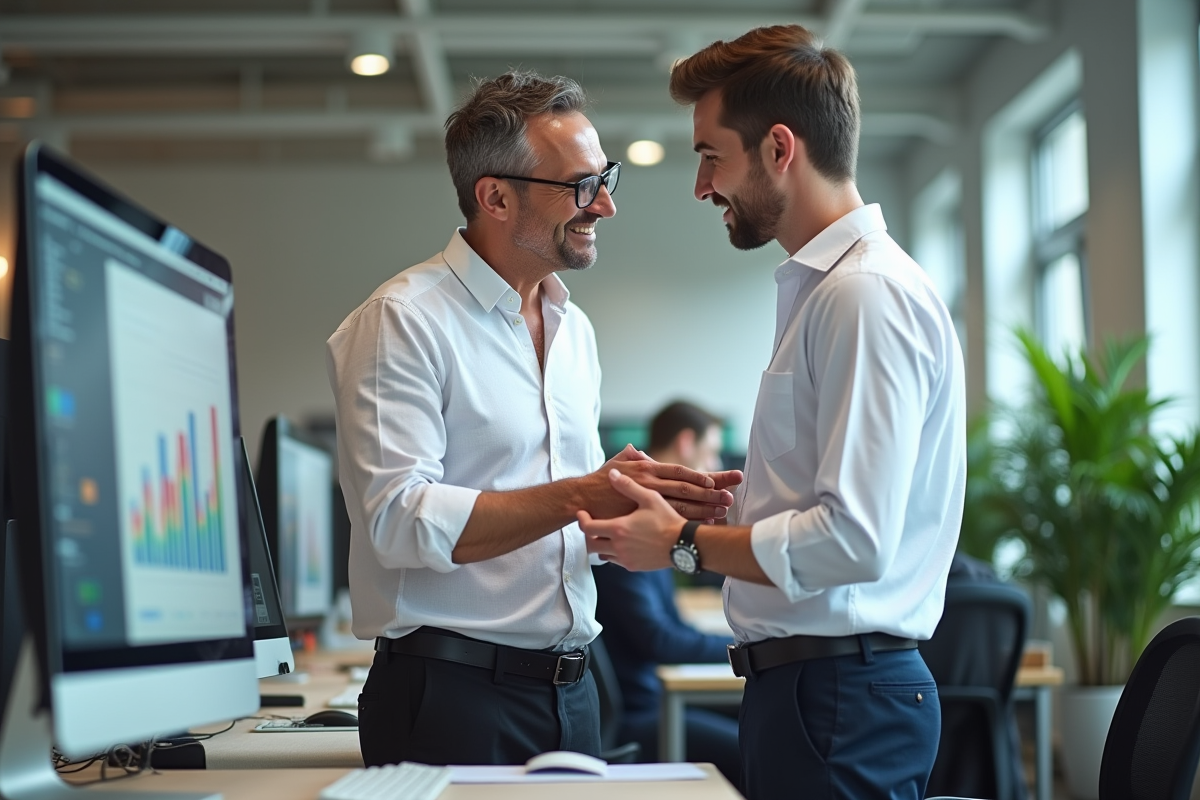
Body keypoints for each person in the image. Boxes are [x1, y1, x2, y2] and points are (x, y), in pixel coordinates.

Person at [578, 25, 967, 800]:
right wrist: (729, 504)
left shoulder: (863, 297)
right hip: (818, 694)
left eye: (710, 156)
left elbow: (853, 540)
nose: (700, 187)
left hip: (837, 698)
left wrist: (686, 543)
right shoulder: (830, 293)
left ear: (779, 148)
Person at [325, 71, 739, 768]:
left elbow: (551, 520)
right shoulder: (404, 320)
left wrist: (629, 518)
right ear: (494, 196)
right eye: (581, 185)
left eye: (605, 178)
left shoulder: (574, 331)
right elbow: (398, 520)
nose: (604, 205)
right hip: (451, 696)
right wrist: (583, 493)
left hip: (573, 695)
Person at [592, 401, 740, 785]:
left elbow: (668, 624)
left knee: (761, 722)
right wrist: (740, 650)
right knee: (759, 746)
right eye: (710, 452)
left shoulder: (654, 519)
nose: (715, 464)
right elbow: (657, 638)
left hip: (652, 695)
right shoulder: (631, 522)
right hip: (640, 709)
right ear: (687, 443)